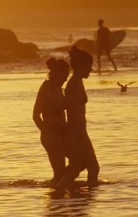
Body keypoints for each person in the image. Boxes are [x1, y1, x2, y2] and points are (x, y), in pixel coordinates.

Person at [59, 47, 99, 185]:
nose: (91, 69)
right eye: (88, 66)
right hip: (76, 132)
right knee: (80, 165)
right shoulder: (73, 84)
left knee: (91, 167)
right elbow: (69, 110)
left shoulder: (78, 82)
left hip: (81, 131)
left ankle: (81, 196)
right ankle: (61, 188)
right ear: (81, 66)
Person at [32, 57, 70, 184]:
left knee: (74, 163)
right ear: (57, 74)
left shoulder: (59, 89)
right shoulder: (45, 89)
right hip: (51, 136)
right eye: (64, 75)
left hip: (61, 134)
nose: (66, 79)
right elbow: (36, 115)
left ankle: (62, 192)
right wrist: (47, 131)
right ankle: (56, 198)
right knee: (59, 174)